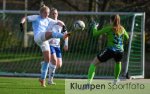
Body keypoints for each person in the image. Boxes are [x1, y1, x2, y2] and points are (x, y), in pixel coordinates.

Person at [20, 5, 69, 87]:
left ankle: (42, 79)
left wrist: (63, 26)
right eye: (46, 12)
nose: (47, 14)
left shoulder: (48, 20)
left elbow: (58, 22)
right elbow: (25, 18)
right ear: (41, 12)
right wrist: (21, 23)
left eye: (48, 13)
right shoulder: (36, 17)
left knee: (47, 60)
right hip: (38, 37)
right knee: (50, 34)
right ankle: (62, 36)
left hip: (44, 41)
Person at [88, 14, 129, 84]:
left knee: (93, 64)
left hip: (110, 50)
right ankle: (116, 80)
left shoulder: (109, 28)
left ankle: (89, 83)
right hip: (120, 51)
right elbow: (127, 37)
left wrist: (94, 27)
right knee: (118, 62)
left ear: (111, 20)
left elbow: (95, 34)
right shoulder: (122, 28)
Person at [48, 8, 68, 85]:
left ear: (57, 14)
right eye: (52, 13)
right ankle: (50, 80)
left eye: (55, 13)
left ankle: (46, 65)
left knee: (59, 65)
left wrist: (66, 44)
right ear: (50, 14)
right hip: (49, 45)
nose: (54, 15)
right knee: (54, 60)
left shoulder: (61, 23)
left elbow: (66, 34)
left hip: (57, 46)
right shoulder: (48, 22)